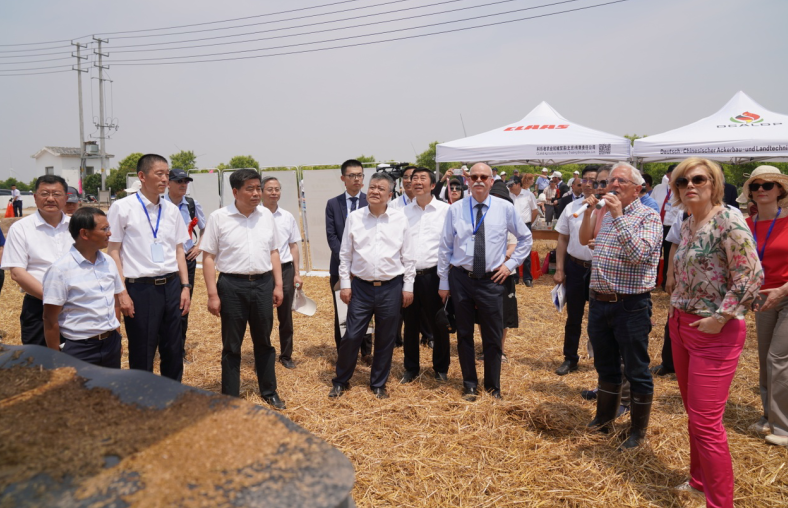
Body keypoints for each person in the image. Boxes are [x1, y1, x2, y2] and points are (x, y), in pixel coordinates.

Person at [668, 157, 762, 506]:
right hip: (681, 326)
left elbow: (751, 275)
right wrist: (675, 305)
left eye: (698, 179)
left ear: (714, 184)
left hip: (714, 332)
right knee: (695, 417)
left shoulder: (728, 219)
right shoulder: (688, 222)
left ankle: (720, 502)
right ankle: (698, 481)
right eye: (682, 181)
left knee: (707, 424)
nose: (690, 186)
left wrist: (721, 318)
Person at [578, 162, 661, 449]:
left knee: (636, 369)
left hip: (630, 305)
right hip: (600, 303)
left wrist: (618, 216)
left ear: (637, 189)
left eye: (621, 181)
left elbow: (639, 254)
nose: (613, 185)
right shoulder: (607, 215)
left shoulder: (648, 216)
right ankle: (604, 419)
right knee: (605, 365)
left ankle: (637, 431)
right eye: (611, 180)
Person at [438, 163, 532, 401]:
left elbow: (526, 238)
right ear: (468, 181)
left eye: (484, 177)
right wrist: (444, 282)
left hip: (492, 280)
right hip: (461, 279)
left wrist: (510, 265)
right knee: (464, 335)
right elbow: (445, 247)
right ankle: (469, 384)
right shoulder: (455, 209)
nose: (478, 180)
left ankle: (492, 387)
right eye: (474, 177)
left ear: (491, 181)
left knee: (492, 336)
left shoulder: (504, 208)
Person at [201, 169, 286, 409]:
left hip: (263, 284)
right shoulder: (219, 217)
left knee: (264, 341)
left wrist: (278, 285)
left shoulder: (266, 216)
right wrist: (212, 294)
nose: (257, 193)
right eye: (250, 189)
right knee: (232, 345)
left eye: (258, 188)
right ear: (235, 192)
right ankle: (230, 397)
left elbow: (274, 251)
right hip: (231, 286)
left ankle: (269, 391)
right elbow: (208, 257)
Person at [330, 172, 415, 399]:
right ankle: (341, 380)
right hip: (361, 287)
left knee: (386, 338)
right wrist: (345, 285)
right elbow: (345, 255)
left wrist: (408, 287)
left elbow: (408, 257)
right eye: (373, 187)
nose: (375, 191)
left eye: (381, 188)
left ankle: (378, 383)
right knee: (352, 335)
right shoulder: (355, 218)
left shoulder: (400, 219)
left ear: (390, 194)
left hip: (391, 287)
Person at [107, 154, 191, 381]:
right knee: (142, 350)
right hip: (140, 289)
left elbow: (179, 250)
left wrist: (185, 286)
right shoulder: (122, 208)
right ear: (142, 176)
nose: (165, 179)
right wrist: (122, 292)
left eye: (167, 174)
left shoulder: (171, 210)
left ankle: (172, 394)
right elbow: (113, 252)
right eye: (159, 174)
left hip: (171, 286)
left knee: (173, 348)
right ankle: (143, 396)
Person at [738, 165, 788, 448]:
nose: (760, 189)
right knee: (765, 359)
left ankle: (783, 426)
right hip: (762, 297)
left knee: (778, 359)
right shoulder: (744, 224)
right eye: (755, 186)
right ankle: (769, 415)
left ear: (780, 190)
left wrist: (783, 290)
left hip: (786, 293)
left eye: (767, 185)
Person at [42, 207, 123, 367]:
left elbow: (115, 302)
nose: (109, 233)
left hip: (110, 344)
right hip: (80, 349)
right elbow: (50, 318)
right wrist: (56, 358)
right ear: (84, 233)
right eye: (104, 229)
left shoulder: (108, 262)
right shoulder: (60, 270)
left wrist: (117, 338)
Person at [1, 175, 73, 345]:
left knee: (76, 358)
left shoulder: (77, 226)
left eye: (56, 194)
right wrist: (54, 299)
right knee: (40, 358)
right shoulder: (20, 228)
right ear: (35, 197)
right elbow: (17, 273)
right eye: (44, 194)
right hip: (38, 306)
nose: (50, 199)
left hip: (77, 306)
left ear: (65, 198)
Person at [400, 168, 451, 383]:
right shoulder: (402, 212)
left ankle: (441, 367)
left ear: (433, 185)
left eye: (423, 179)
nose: (418, 182)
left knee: (439, 323)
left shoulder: (446, 211)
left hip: (434, 276)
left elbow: (451, 244)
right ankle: (411, 368)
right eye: (414, 179)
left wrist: (446, 280)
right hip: (408, 277)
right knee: (410, 324)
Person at [554, 166, 598, 376]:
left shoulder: (608, 208)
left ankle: (600, 359)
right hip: (575, 268)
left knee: (599, 317)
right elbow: (562, 239)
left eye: (593, 180)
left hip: (599, 270)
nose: (588, 184)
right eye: (585, 180)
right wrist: (559, 269)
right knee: (574, 317)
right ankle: (570, 358)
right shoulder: (571, 207)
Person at [325, 159, 372, 359]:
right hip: (339, 268)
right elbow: (332, 237)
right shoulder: (333, 204)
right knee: (342, 311)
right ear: (343, 178)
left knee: (366, 311)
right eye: (351, 175)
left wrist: (358, 262)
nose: (356, 179)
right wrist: (347, 263)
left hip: (365, 269)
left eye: (359, 175)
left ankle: (366, 352)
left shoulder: (371, 201)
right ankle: (343, 352)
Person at [163, 168, 206, 361]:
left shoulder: (192, 204)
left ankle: (178, 352)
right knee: (163, 307)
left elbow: (205, 229)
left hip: (187, 260)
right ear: (168, 183)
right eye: (179, 181)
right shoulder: (159, 204)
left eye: (185, 182)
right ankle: (162, 349)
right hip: (165, 261)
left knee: (183, 306)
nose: (183, 185)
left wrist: (199, 247)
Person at [261, 175, 303, 370]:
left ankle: (286, 355)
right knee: (263, 316)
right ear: (262, 192)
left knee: (285, 316)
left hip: (286, 270)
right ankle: (264, 354)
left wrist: (297, 273)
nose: (274, 192)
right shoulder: (255, 216)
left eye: (277, 189)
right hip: (264, 271)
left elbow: (293, 246)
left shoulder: (287, 217)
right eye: (269, 189)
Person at [650, 164, 680, 289]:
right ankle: (652, 281)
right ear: (667, 175)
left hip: (671, 227)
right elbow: (650, 204)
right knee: (654, 254)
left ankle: (666, 282)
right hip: (656, 226)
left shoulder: (681, 189)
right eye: (672, 174)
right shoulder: (658, 188)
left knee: (669, 255)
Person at [508, 176, 538, 287]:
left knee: (526, 251)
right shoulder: (508, 195)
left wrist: (529, 224)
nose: (510, 187)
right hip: (511, 226)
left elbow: (535, 211)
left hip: (525, 225)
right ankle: (515, 277)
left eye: (511, 185)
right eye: (509, 185)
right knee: (512, 250)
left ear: (518, 184)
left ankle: (527, 278)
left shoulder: (528, 195)